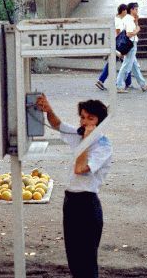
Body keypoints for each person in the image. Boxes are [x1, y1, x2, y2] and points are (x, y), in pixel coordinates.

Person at [36, 94, 112, 278]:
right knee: (74, 259)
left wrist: (85, 141)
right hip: (71, 201)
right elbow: (58, 125)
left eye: (90, 119)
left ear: (99, 123)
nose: (84, 122)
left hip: (87, 204)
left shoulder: (103, 145)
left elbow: (80, 168)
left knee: (86, 260)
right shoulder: (78, 136)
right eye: (82, 117)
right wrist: (48, 108)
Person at [95, 4, 132, 90]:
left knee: (119, 63)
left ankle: (101, 80)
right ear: (123, 11)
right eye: (126, 11)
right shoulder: (118, 20)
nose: (127, 12)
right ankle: (127, 83)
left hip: (116, 44)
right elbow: (118, 33)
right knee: (126, 62)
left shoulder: (118, 18)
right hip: (118, 45)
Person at [116, 2, 147, 93]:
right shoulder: (128, 19)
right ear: (131, 9)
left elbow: (134, 27)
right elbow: (129, 34)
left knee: (135, 66)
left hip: (132, 44)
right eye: (136, 9)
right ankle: (119, 85)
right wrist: (137, 30)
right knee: (126, 66)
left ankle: (143, 84)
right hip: (130, 44)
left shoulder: (130, 18)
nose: (137, 10)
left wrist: (136, 21)